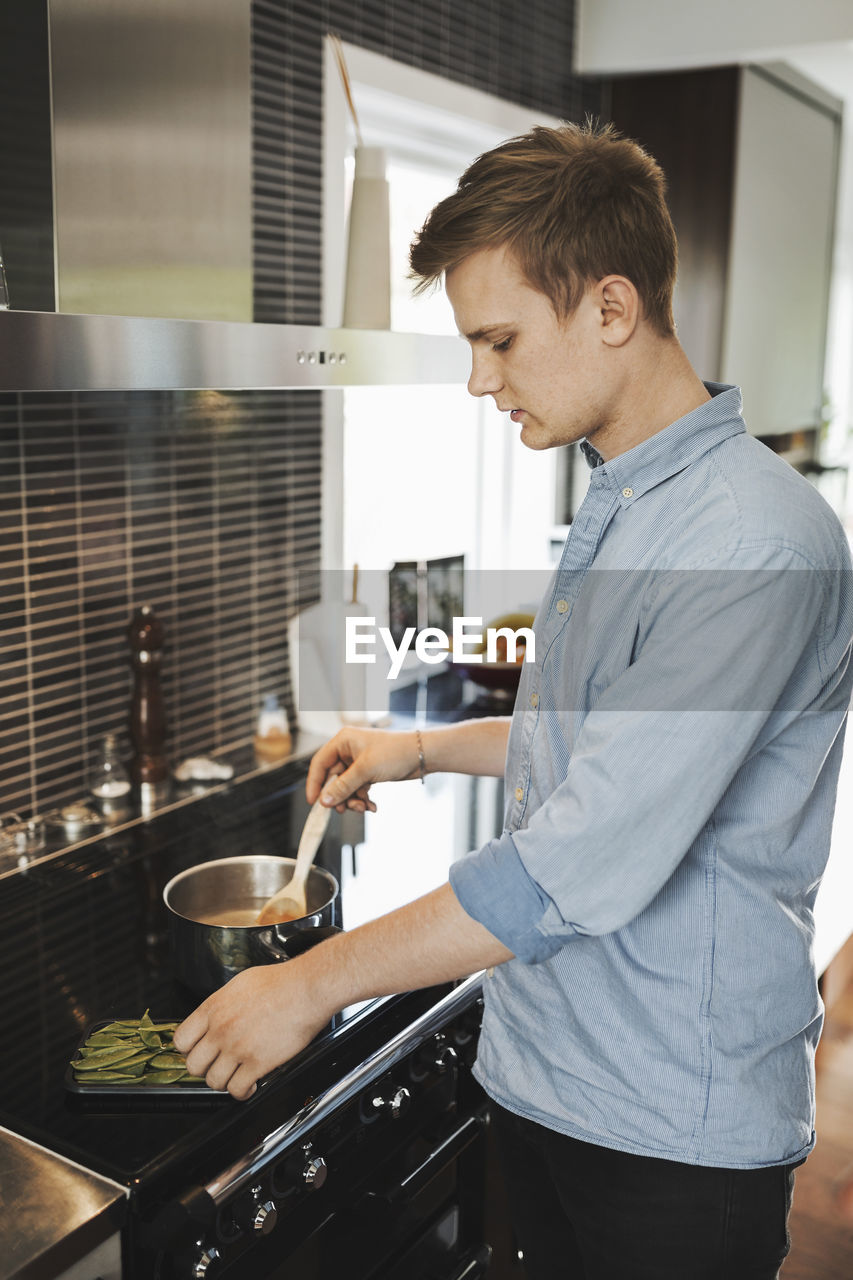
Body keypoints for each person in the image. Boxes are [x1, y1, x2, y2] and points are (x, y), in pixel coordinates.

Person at [174, 121, 853, 1279]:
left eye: (498, 339)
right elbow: (584, 741)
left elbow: (577, 860)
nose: (481, 379)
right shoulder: (624, 500)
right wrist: (421, 747)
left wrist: (306, 982)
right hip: (546, 1069)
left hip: (665, 1134)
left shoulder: (753, 542)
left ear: (608, 306)